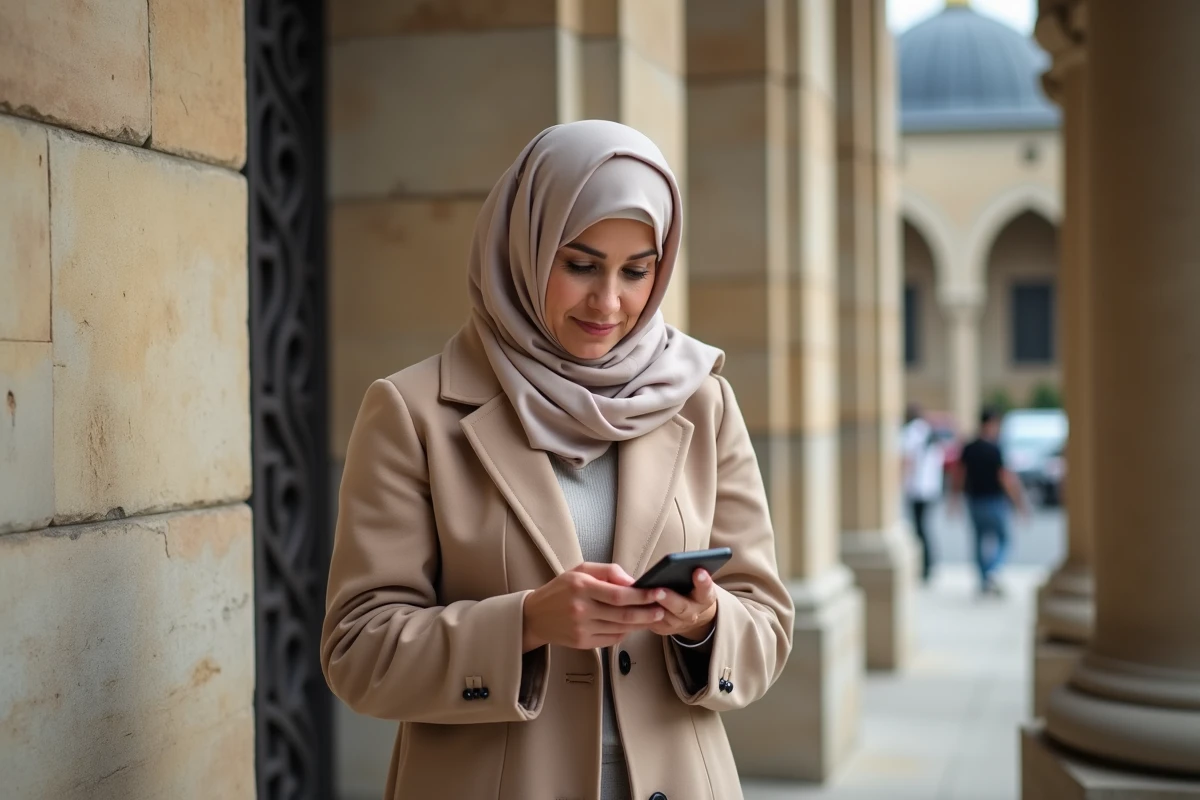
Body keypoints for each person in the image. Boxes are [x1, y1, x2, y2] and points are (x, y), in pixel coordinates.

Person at [320, 120, 795, 800]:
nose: (609, 302)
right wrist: (526, 624)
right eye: (579, 264)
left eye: (637, 271)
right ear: (524, 247)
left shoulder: (701, 402)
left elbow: (768, 623)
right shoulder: (413, 412)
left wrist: (703, 624)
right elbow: (357, 652)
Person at [951, 407, 1030, 595]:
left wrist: (954, 499)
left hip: (974, 501)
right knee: (1003, 539)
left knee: (978, 540)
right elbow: (1005, 478)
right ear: (991, 424)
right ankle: (993, 570)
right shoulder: (995, 449)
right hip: (993, 500)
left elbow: (959, 476)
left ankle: (984, 579)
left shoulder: (969, 447)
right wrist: (1019, 503)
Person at [901, 404, 946, 582]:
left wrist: (900, 481)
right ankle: (928, 564)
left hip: (917, 488)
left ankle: (925, 565)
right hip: (930, 488)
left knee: (919, 529)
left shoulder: (912, 432)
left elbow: (907, 460)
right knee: (924, 527)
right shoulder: (928, 432)